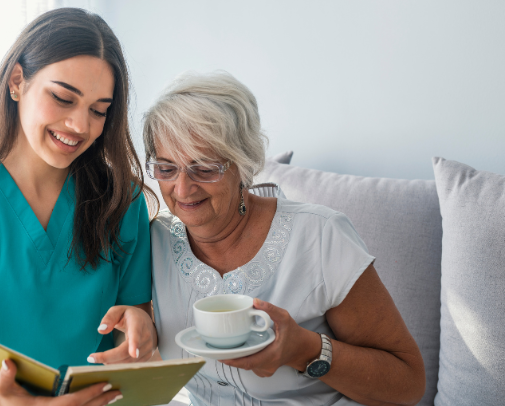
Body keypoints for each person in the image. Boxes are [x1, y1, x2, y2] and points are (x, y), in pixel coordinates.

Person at [0, 8, 158, 406]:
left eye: (98, 110)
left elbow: (130, 327)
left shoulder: (123, 202)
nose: (79, 125)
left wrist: (140, 331)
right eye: (62, 98)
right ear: (17, 82)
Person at [144, 71, 426, 406]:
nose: (182, 188)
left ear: (242, 163)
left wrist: (306, 349)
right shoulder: (153, 243)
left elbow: (408, 383)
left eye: (204, 168)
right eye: (166, 168)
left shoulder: (319, 236)